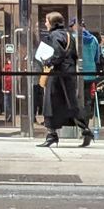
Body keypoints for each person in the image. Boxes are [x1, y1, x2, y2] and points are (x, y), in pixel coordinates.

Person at [37, 11, 91, 148]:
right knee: (70, 103)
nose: (45, 23)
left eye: (47, 21)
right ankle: (85, 130)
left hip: (57, 75)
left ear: (52, 23)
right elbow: (74, 55)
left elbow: (58, 53)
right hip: (68, 74)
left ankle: (51, 135)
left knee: (50, 103)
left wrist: (48, 61)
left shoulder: (54, 35)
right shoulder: (68, 35)